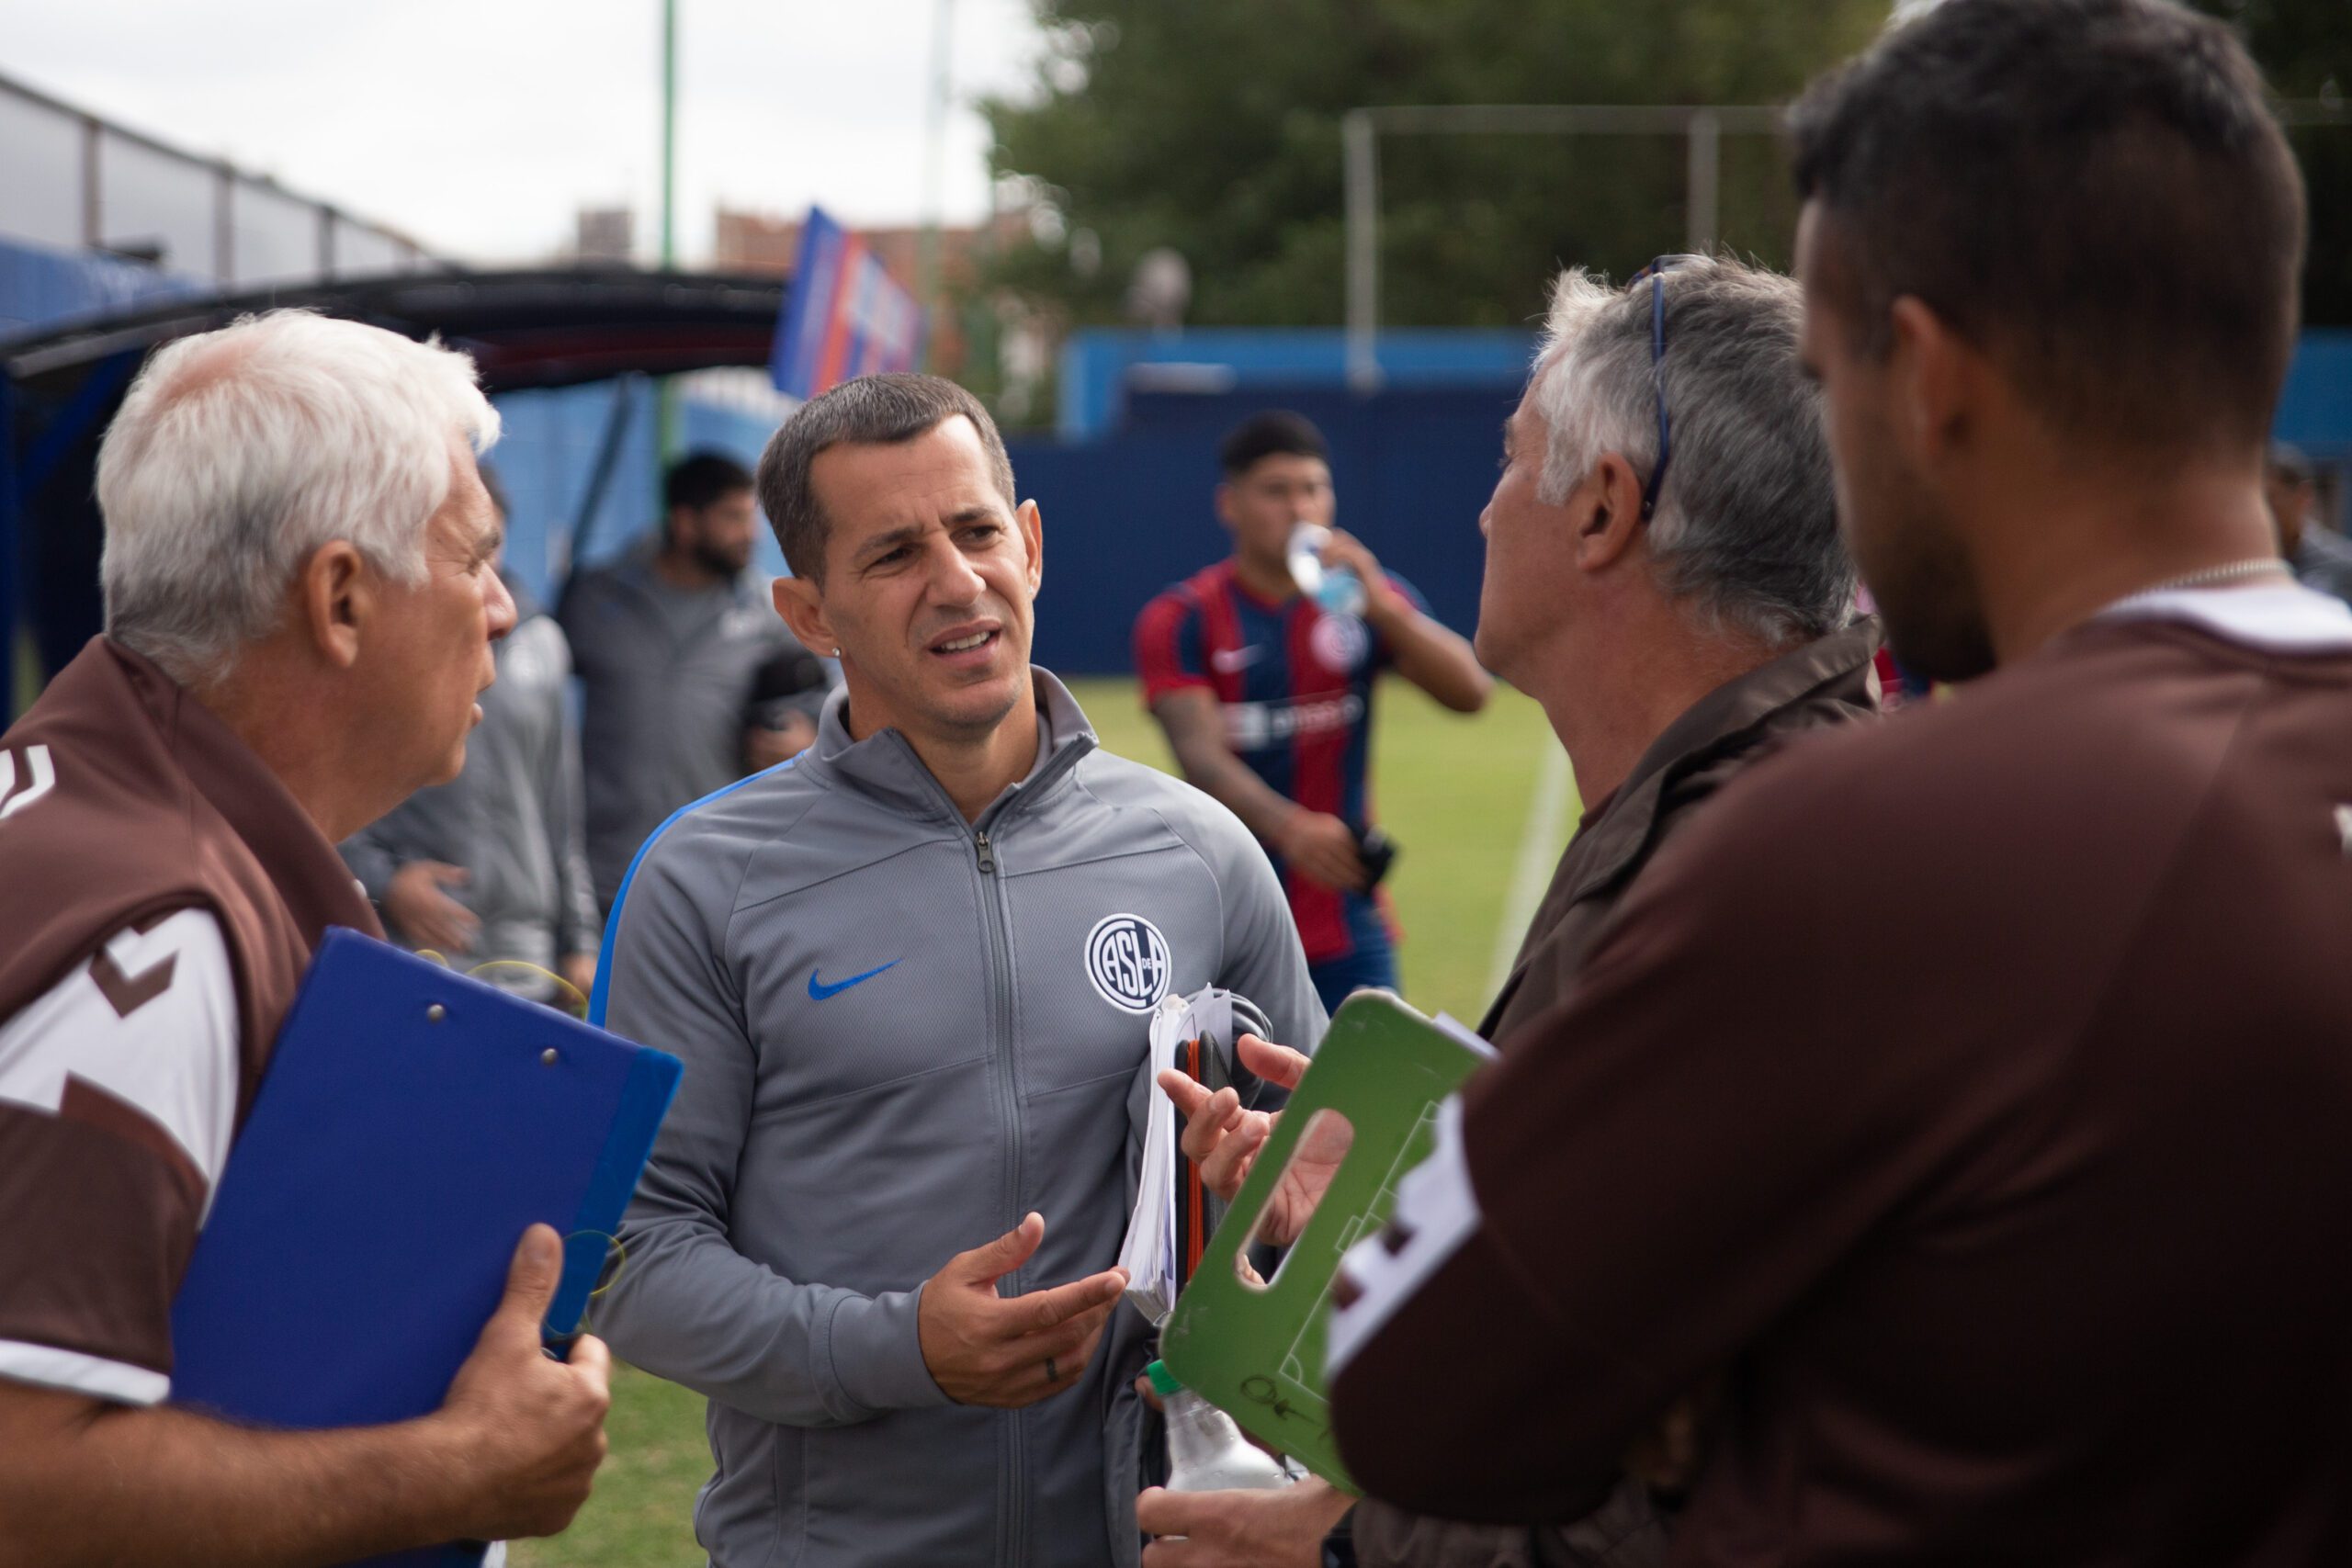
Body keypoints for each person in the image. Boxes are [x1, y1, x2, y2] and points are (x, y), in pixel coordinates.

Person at [1328, 3, 2352, 1563]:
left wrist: (1716, 1399)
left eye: (1826, 368)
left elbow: (1409, 1400)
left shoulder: (1867, 843)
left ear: (1923, 376)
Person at [1139, 256, 1878, 1568]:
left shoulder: (1745, 888)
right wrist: (1422, 1190)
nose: (1483, 511)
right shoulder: (1744, 810)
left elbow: (1712, 1471)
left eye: (1508, 459)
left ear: (1602, 510)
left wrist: (1351, 1545)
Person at [589, 372, 1326, 1568]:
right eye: (891, 554)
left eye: (977, 529)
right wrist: (896, 1348)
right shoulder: (704, 880)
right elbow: (633, 1249)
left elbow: (1320, 1211)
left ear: (1028, 542)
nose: (956, 579)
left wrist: (1272, 1208)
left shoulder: (1201, 852)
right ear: (808, 610)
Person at [0, 310, 610, 1562]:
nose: (500, 609)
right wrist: (459, 1470)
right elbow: (22, 1473)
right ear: (339, 596)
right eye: (475, 556)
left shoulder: (80, 807)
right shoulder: (158, 935)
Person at [1134, 413, 1491, 1013]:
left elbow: (1472, 693)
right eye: (1276, 490)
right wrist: (1291, 827)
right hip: (1229, 928)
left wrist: (1382, 607)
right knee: (1251, 1104)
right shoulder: (1183, 618)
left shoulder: (1364, 600)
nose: (1299, 508)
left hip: (1349, 917)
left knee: (1373, 1101)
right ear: (1230, 505)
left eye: (1313, 488)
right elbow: (1200, 757)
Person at [343, 464, 602, 1006]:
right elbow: (322, 784)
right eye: (470, 552)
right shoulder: (386, 646)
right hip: (422, 948)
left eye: (494, 546)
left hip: (528, 956)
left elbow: (561, 806)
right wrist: (385, 883)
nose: (490, 571)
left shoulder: (543, 644)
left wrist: (580, 939)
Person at [558, 449, 826, 912]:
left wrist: (807, 733)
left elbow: (828, 697)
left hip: (716, 875)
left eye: (751, 516)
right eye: (733, 518)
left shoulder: (767, 612)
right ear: (685, 523)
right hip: (604, 876)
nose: (752, 534)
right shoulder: (597, 599)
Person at [2267, 442, 2352, 604]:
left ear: (2302, 497)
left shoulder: (2341, 565)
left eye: (2271, 499)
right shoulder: (2239, 565)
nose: (2262, 511)